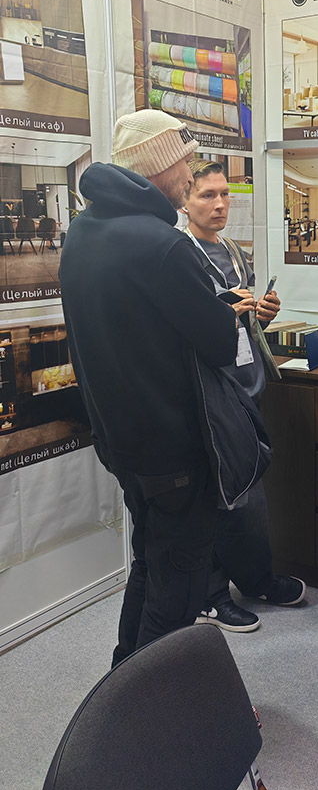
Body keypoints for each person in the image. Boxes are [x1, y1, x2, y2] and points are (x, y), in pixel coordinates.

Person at [59, 109, 239, 666]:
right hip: (174, 452)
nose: (189, 172)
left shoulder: (83, 234)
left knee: (149, 563)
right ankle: (145, 720)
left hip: (124, 444)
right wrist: (227, 312)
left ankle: (118, 690)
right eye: (183, 160)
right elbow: (218, 341)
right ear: (158, 166)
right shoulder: (162, 244)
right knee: (177, 592)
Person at [183, 158, 305, 631]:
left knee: (251, 493)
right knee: (218, 495)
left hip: (248, 384)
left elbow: (246, 322)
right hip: (213, 390)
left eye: (224, 194)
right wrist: (224, 314)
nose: (219, 204)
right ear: (185, 200)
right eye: (206, 195)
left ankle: (255, 578)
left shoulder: (234, 250)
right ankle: (211, 596)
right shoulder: (181, 253)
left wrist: (263, 313)